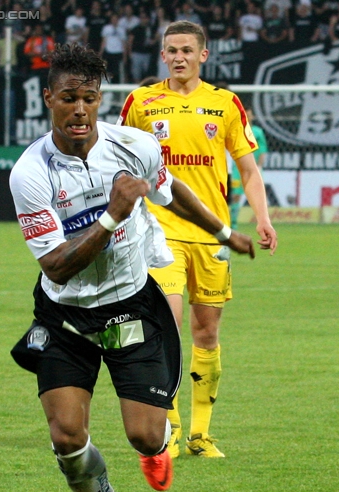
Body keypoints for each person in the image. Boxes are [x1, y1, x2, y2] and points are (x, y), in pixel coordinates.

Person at [9, 42, 255, 492]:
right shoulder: (30, 174)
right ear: (48, 97)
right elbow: (54, 264)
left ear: (100, 100)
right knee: (67, 437)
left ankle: (155, 445)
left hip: (130, 305)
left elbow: (172, 190)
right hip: (65, 314)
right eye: (69, 98)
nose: (80, 109)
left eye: (90, 99)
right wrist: (113, 216)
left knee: (144, 435)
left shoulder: (133, 147)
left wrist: (224, 231)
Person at [118, 21, 277, 459]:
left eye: (187, 49)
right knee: (165, 328)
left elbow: (248, 169)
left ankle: (201, 436)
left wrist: (262, 217)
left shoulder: (224, 104)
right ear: (163, 55)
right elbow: (115, 158)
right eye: (172, 50)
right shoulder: (141, 101)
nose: (179, 57)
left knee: (206, 331)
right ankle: (168, 427)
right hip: (158, 231)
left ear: (203, 55)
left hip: (212, 235)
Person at [230, 106, 268, 228]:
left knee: (257, 195)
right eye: (246, 114)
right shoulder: (236, 129)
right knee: (235, 195)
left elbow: (262, 150)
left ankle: (263, 222)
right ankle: (232, 223)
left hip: (253, 168)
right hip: (236, 168)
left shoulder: (257, 132)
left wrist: (260, 166)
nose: (248, 116)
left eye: (250, 114)